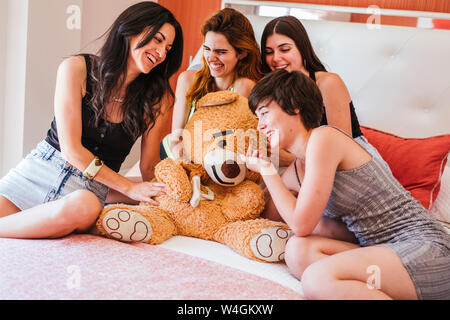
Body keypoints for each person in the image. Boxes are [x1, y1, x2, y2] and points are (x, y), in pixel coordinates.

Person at [241, 69, 450, 300]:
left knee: (316, 279)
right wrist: (260, 171)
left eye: (264, 113)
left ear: (293, 105)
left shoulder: (324, 138)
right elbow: (273, 214)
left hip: (424, 248)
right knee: (297, 252)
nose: (259, 125)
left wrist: (268, 171)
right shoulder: (296, 170)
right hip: (377, 251)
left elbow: (300, 224)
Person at [0, 2, 183, 239]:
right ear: (131, 29)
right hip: (37, 175)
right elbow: (71, 150)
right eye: (157, 40)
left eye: (168, 48)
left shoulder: (159, 99)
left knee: (86, 204)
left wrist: (169, 193)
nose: (161, 53)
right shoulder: (77, 69)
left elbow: (149, 166)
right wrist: (129, 187)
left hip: (86, 194)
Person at [260, 15, 388, 168]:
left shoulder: (328, 83)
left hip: (351, 166)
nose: (275, 58)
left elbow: (341, 147)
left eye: (284, 49)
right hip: (305, 167)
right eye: (269, 52)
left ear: (302, 48)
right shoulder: (272, 92)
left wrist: (289, 159)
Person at [160, 7, 263, 160]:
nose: (211, 58)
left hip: (213, 163)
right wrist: (180, 153)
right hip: (174, 154)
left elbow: (232, 144)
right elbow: (176, 137)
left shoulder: (244, 86)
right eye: (207, 49)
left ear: (241, 53)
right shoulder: (187, 80)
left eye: (221, 52)